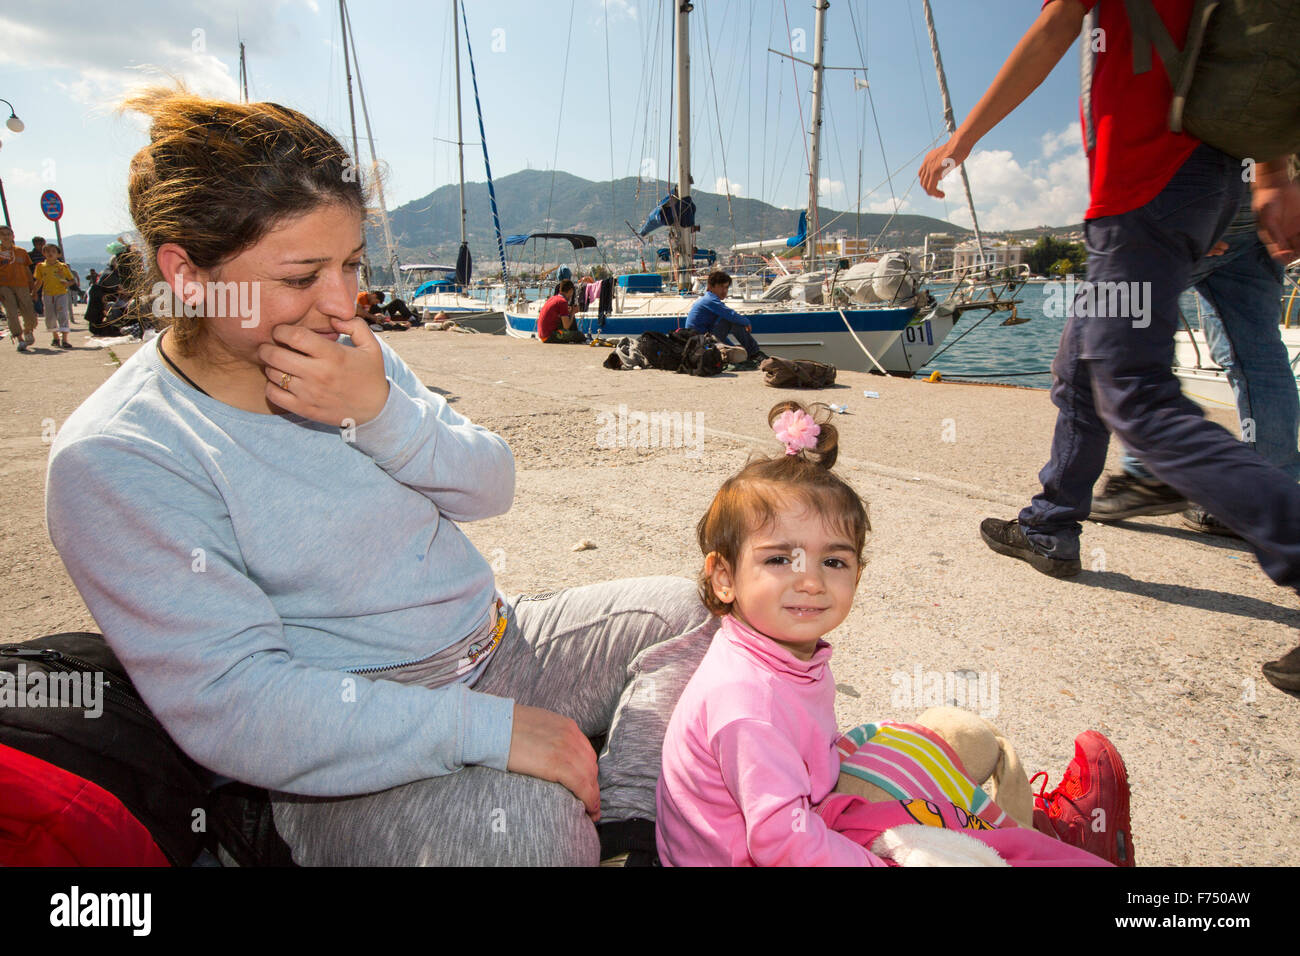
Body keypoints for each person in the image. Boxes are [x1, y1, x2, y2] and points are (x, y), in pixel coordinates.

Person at [44, 86, 718, 866]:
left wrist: (380, 413)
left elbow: (488, 487)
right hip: (347, 755)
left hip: (499, 645)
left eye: (352, 264)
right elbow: (236, 707)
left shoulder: (345, 349)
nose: (342, 302)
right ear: (187, 276)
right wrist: (486, 733)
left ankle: (632, 828)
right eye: (302, 276)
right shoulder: (122, 453)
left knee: (699, 608)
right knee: (529, 827)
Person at [919, 0, 1300, 691]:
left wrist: (963, 137)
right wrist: (1270, 175)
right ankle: (1051, 523)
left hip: (1145, 180)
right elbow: (1252, 61)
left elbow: (1058, 22)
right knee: (1079, 365)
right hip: (1202, 179)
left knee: (1139, 402)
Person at [655, 401, 1120, 866]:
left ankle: (1045, 839)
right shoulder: (747, 704)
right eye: (780, 559)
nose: (812, 581)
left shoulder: (776, 655)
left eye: (833, 561)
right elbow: (782, 843)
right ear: (724, 577)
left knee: (926, 774)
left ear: (857, 574)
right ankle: (1062, 840)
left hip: (803, 820)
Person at [1090, 199, 1300, 534]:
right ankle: (1269, 499)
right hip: (1257, 204)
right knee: (1258, 354)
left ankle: (1149, 477)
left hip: (1193, 197)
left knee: (1129, 329)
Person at [684, 270, 766, 370]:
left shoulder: (709, 300)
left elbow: (715, 332)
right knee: (731, 320)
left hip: (704, 340)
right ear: (710, 287)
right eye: (721, 287)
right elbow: (730, 315)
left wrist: (732, 348)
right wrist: (747, 322)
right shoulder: (709, 300)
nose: (724, 291)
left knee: (729, 321)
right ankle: (755, 353)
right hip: (701, 342)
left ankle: (752, 353)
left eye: (726, 287)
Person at [0, 226, 39, 351]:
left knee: (29, 313)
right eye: (2, 234)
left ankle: (28, 330)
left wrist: (33, 289)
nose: (6, 237)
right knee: (11, 313)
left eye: (8, 234)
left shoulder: (21, 252)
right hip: (4, 286)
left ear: (13, 236)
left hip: (22, 285)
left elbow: (28, 270)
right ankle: (19, 338)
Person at [32, 243, 75, 349]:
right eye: (47, 251)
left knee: (62, 315)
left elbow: (72, 280)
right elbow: (39, 281)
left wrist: (67, 284)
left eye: (53, 251)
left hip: (61, 294)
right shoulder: (41, 267)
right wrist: (34, 293)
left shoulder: (62, 267)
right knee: (50, 317)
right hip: (47, 294)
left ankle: (65, 339)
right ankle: (55, 337)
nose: (50, 253)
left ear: (58, 254)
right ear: (44, 253)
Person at [537, 278, 584, 343]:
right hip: (549, 336)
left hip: (542, 335)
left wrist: (569, 312)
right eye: (572, 293)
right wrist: (573, 312)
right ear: (570, 291)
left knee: (569, 316)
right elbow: (566, 326)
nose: (571, 296)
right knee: (580, 335)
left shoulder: (553, 298)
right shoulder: (563, 302)